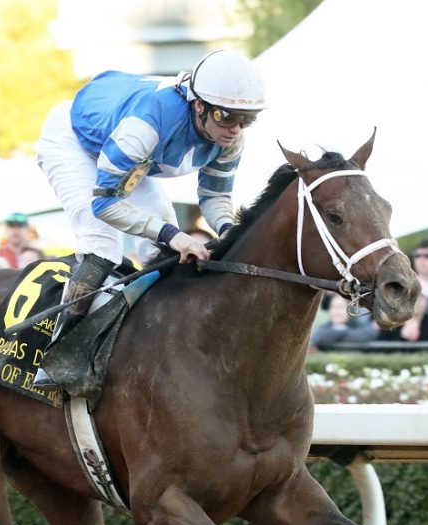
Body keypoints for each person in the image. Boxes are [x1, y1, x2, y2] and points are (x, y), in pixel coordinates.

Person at [33, 49, 265, 387]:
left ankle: (151, 339)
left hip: (134, 156)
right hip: (75, 142)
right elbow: (105, 204)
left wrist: (231, 232)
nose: (235, 129)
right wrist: (175, 235)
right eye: (226, 117)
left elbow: (215, 196)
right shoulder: (147, 125)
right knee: (102, 244)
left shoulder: (230, 137)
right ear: (198, 105)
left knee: (161, 239)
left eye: (248, 118)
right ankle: (59, 357)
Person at [310, 295, 378, 351]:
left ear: (350, 309)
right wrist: (344, 332)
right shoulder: (323, 328)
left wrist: (338, 332)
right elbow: (318, 337)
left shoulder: (359, 326)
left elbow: (365, 334)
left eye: (341, 307)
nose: (337, 311)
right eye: (333, 307)